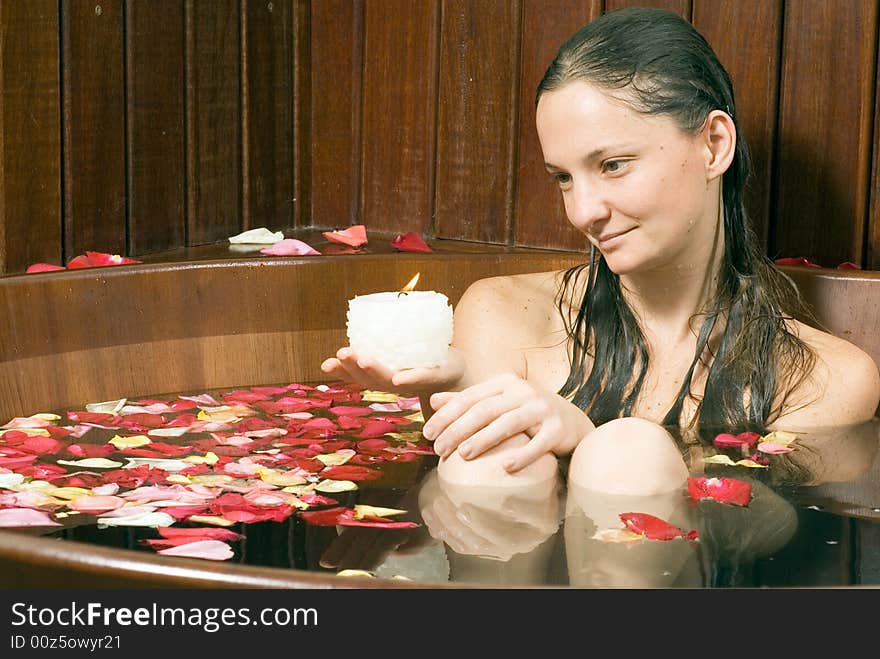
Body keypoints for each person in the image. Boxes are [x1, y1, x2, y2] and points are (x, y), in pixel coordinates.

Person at [320, 7, 880, 484]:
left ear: (713, 145)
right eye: (563, 177)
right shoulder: (502, 316)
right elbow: (476, 488)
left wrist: (591, 441)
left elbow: (760, 530)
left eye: (612, 165)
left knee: (627, 455)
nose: (582, 211)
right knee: (491, 458)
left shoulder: (824, 377)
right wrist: (443, 396)